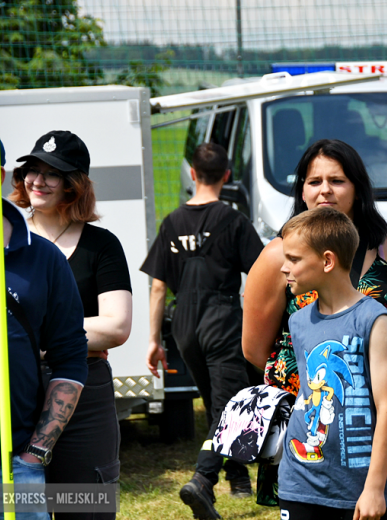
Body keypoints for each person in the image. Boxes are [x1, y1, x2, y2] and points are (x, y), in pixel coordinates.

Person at [242, 139, 387, 518]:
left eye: (337, 180)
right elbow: (254, 347)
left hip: (383, 416)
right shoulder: (277, 256)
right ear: (301, 191)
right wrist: (307, 379)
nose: (324, 189)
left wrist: (366, 376)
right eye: (313, 181)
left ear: (357, 188)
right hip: (314, 423)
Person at [9, 130, 132, 519]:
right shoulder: (4, 240)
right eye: (32, 170)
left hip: (86, 398)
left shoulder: (102, 245)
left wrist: (47, 338)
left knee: (86, 507)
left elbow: (116, 326)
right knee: (18, 507)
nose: (38, 181)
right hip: (18, 393)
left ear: (74, 185)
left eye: (53, 173)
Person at [141, 142, 263, 520]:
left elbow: (158, 287)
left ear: (192, 174)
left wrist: (153, 340)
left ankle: (238, 476)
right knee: (229, 407)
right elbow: (261, 272)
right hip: (221, 318)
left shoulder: (172, 221)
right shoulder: (233, 220)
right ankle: (203, 481)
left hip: (183, 326)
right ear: (227, 176)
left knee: (218, 401)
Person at [0, 125, 88, 520]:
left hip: (11, 468)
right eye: (35, 171)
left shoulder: (43, 259)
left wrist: (34, 454)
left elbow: (70, 356)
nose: (40, 180)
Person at [278, 207, 387, 520]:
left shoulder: (373, 319)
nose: (283, 267)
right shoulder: (298, 321)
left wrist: (374, 487)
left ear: (327, 261)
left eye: (293, 259)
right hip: (300, 483)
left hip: (357, 489)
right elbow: (308, 394)